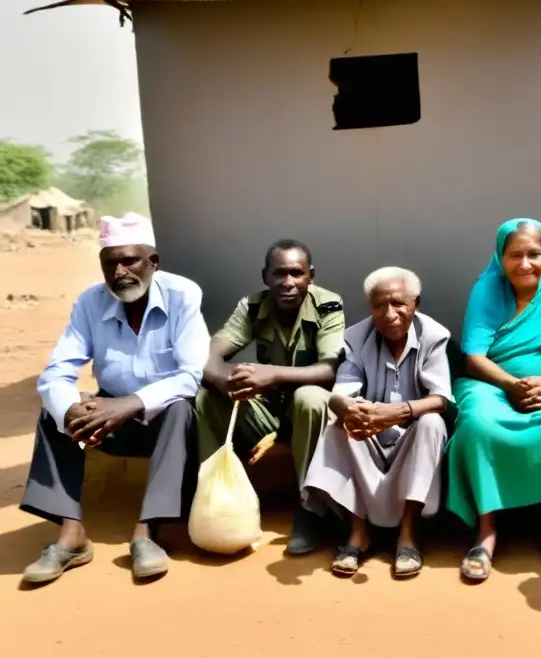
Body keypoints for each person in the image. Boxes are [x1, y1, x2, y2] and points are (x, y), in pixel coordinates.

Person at [20, 213, 209, 585]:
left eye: (130, 261)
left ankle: (148, 532)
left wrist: (133, 402)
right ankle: (71, 535)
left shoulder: (182, 294)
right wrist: (71, 409)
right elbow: (57, 371)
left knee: (181, 408)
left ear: (153, 263)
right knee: (52, 411)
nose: (120, 271)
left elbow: (191, 375)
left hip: (163, 420)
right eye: (111, 263)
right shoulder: (90, 302)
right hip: (111, 415)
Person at [447, 218, 541, 582]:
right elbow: (474, 358)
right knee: (478, 422)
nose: (526, 263)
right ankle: (486, 531)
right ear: (501, 256)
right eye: (516, 255)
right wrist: (512, 385)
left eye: (535, 254)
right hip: (490, 383)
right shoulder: (487, 289)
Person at [196, 239, 344, 555]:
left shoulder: (328, 305)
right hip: (269, 411)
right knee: (206, 397)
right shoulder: (252, 306)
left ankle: (311, 509)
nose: (288, 283)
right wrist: (226, 382)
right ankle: (210, 493)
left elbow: (330, 369)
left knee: (310, 397)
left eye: (296, 273)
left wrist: (271, 374)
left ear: (311, 276)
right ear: (266, 276)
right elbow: (208, 356)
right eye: (279, 274)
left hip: (310, 416)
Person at [302, 267, 451, 579]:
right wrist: (349, 409)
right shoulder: (356, 337)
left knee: (433, 424)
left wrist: (397, 412)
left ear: (416, 303)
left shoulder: (434, 336)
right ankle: (358, 533)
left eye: (399, 303)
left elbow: (441, 398)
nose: (390, 314)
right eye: (379, 305)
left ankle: (408, 536)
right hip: (370, 437)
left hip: (409, 438)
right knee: (339, 427)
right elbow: (343, 390)